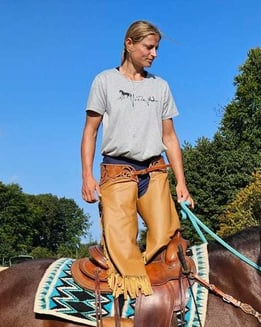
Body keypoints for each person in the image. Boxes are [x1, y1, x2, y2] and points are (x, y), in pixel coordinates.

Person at [81, 20, 194, 299]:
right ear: (129, 45)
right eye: (149, 47)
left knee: (168, 240)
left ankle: (167, 307)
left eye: (156, 48)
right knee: (123, 252)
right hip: (117, 171)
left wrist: (181, 182)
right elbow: (90, 131)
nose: (154, 53)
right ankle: (127, 312)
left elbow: (169, 138)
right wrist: (87, 176)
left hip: (154, 171)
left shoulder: (160, 87)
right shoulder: (104, 81)